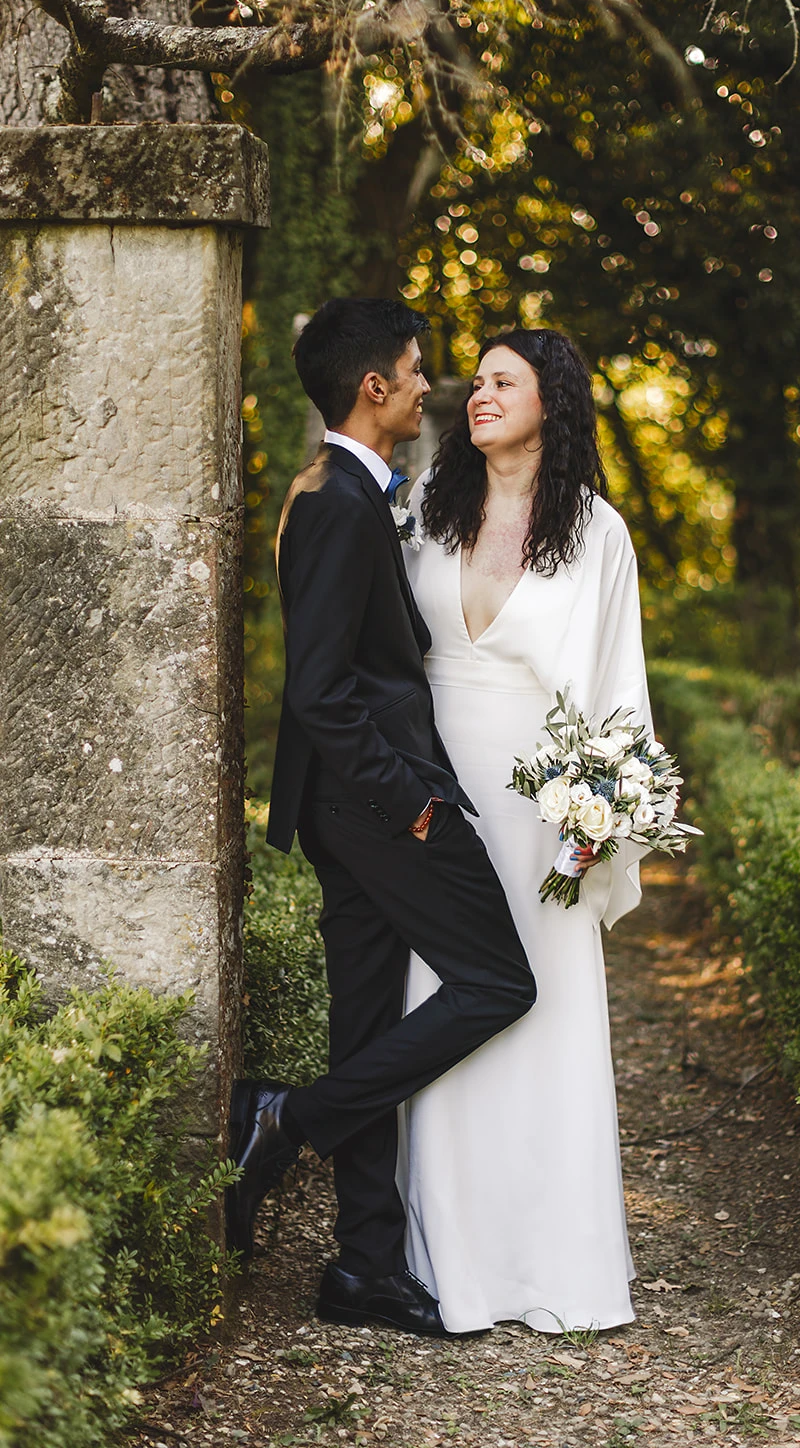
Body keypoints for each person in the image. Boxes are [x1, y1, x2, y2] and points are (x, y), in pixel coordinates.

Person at [227, 298, 536, 1338]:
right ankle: (283, 1118)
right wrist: (410, 805)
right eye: (413, 368)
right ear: (373, 386)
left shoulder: (346, 493)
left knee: (364, 1021)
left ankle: (362, 1265)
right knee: (497, 982)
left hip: (347, 806)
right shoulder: (333, 503)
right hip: (376, 804)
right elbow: (320, 691)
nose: (424, 384)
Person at [400, 328, 654, 1334]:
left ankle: (550, 1259)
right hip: (429, 790)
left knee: (539, 1007)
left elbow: (617, 687)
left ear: (553, 398)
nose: (479, 393)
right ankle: (446, 1257)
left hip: (540, 803)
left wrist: (596, 816)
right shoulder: (429, 504)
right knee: (440, 998)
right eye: (475, 381)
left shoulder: (595, 532)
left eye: (503, 381)